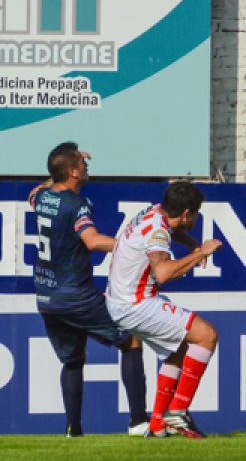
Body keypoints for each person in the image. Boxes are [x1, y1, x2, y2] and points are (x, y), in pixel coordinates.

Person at [28, 142, 149, 438]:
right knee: (130, 340)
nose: (86, 166)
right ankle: (138, 422)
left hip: (46, 295)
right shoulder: (77, 204)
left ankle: (73, 429)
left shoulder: (42, 195)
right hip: (75, 295)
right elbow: (93, 241)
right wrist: (134, 246)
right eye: (81, 164)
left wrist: (59, 169)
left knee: (73, 359)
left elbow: (44, 187)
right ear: (72, 172)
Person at [106, 182, 223, 438]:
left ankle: (158, 424)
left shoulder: (156, 212)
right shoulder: (158, 232)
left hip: (120, 300)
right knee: (206, 335)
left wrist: (192, 243)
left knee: (180, 347)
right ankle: (178, 411)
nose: (196, 217)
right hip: (135, 303)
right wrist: (201, 252)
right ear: (187, 213)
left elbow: (172, 231)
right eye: (196, 213)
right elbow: (163, 273)